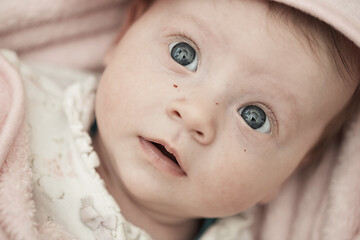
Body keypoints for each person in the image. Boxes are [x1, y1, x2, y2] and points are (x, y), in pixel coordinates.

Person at [0, 0, 359, 240]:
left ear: (292, 169)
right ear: (126, 33)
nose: (196, 115)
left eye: (255, 117)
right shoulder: (21, 107)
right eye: (183, 54)